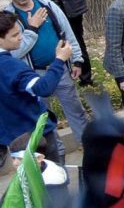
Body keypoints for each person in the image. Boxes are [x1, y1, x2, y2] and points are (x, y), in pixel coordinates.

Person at [2, 0, 89, 145]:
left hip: (60, 69)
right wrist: (32, 28)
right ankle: (54, 152)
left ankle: (88, 147)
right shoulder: (8, 17)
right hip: (33, 74)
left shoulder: (46, 4)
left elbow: (67, 32)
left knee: (76, 111)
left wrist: (77, 60)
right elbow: (14, 52)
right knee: (43, 118)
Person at [0, 12, 72, 164]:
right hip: (35, 135)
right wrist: (60, 60)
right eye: (14, 35)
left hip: (12, 138)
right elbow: (43, 88)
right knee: (53, 174)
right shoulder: (11, 66)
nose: (21, 37)